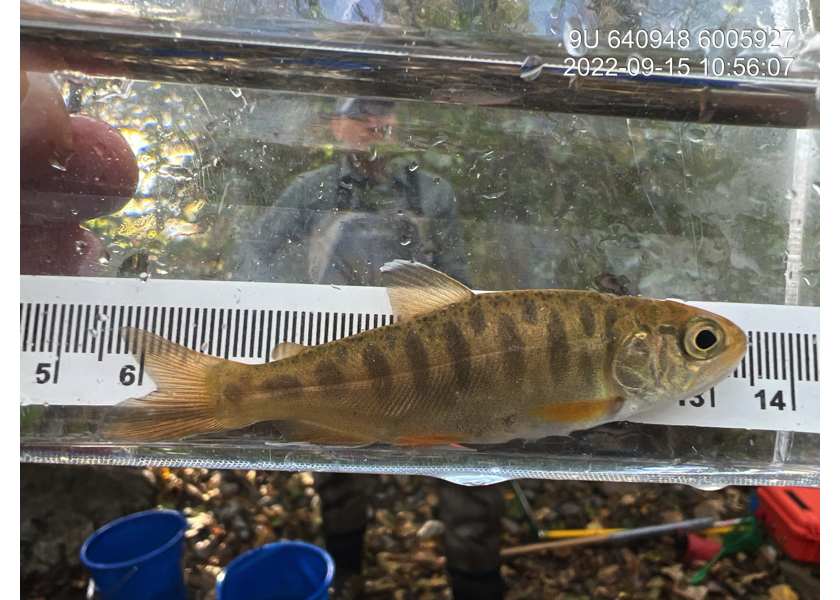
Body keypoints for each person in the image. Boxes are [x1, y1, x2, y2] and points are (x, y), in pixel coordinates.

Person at [233, 98, 505, 600]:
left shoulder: (432, 193)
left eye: (381, 114)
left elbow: (459, 279)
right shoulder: (310, 190)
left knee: (469, 464)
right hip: (335, 352)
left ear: (397, 124)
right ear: (336, 126)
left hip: (433, 361)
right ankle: (345, 573)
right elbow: (256, 251)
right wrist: (276, 312)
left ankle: (477, 585)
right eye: (356, 115)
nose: (370, 125)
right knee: (336, 467)